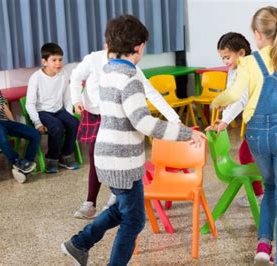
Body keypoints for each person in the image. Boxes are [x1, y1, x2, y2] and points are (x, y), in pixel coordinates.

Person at [61, 14, 205, 265]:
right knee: (134, 220)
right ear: (138, 47)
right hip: (122, 161)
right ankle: (89, 249)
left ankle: (79, 243)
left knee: (125, 209)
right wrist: (186, 133)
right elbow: (144, 122)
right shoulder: (129, 79)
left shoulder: (108, 70)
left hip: (108, 156)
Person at [212, 6, 277, 265]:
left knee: (270, 187)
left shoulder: (248, 63)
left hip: (256, 134)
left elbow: (234, 96)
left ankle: (264, 246)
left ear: (256, 33)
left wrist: (217, 103)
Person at [70, 47, 182, 220]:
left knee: (117, 157)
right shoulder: (94, 59)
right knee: (96, 157)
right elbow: (76, 77)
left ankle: (115, 195)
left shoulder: (131, 69)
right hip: (95, 113)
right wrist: (76, 99)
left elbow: (151, 93)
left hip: (116, 115)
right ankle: (90, 202)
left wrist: (174, 120)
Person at [206, 32, 264, 207]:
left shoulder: (248, 68)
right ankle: (262, 193)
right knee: (249, 154)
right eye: (222, 58)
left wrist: (225, 121)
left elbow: (242, 98)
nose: (225, 62)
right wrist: (225, 107)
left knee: (247, 154)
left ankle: (261, 195)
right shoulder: (234, 70)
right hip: (254, 120)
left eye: (227, 57)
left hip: (262, 119)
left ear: (241, 53)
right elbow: (232, 93)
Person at [26, 43, 80, 173]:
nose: (58, 63)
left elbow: (67, 98)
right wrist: (37, 123)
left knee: (74, 123)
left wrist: (68, 115)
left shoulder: (63, 74)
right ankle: (52, 159)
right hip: (42, 112)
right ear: (44, 61)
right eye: (54, 60)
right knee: (56, 126)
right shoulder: (36, 77)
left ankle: (65, 155)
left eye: (60, 59)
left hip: (58, 110)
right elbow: (30, 104)